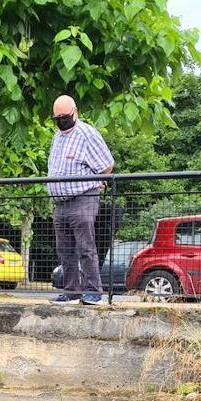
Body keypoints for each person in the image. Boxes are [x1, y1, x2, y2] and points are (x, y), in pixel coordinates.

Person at [47, 94, 113, 305]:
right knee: (64, 249)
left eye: (64, 116)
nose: (61, 121)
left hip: (83, 197)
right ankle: (71, 291)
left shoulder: (87, 134)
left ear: (75, 112)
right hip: (60, 201)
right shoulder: (57, 136)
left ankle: (93, 291)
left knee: (85, 246)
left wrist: (97, 184)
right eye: (57, 118)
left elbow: (106, 164)